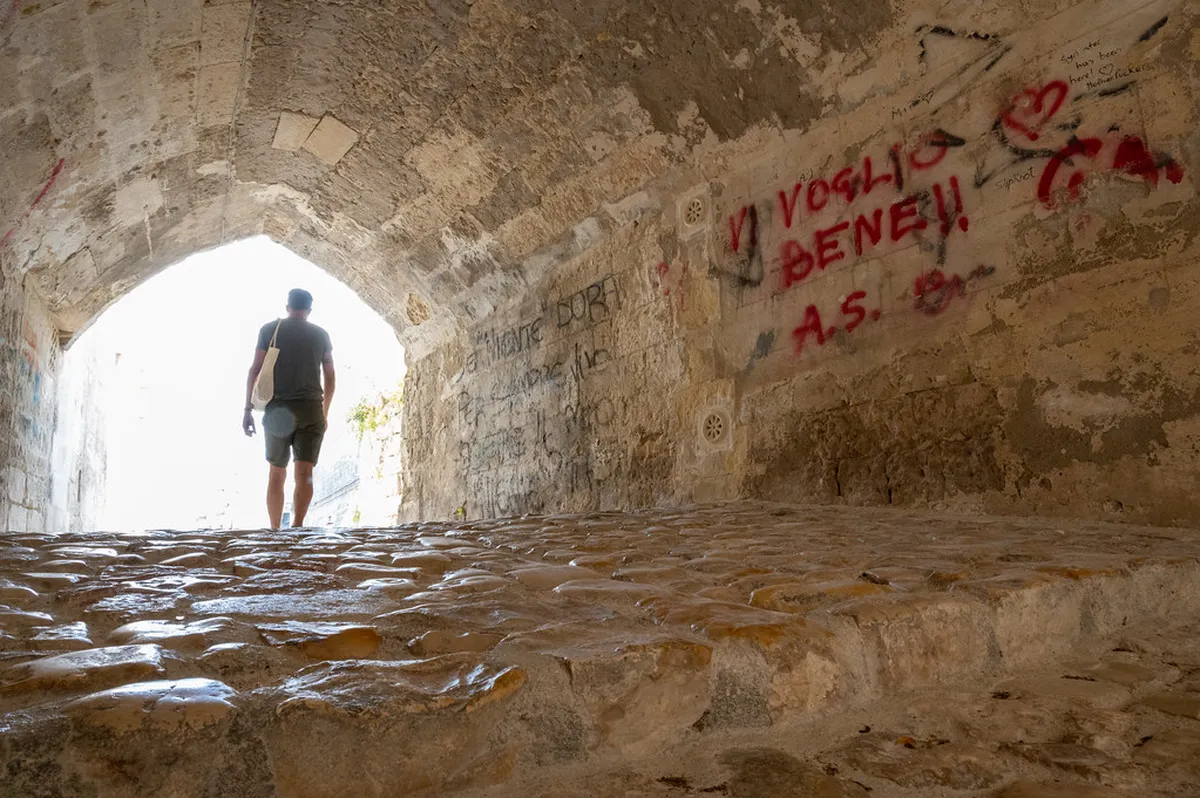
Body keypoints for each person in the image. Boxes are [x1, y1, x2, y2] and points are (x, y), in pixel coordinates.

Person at [242, 288, 335, 529]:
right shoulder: (321, 335)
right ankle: (297, 525)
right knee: (305, 473)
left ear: (287, 307)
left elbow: (255, 369)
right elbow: (330, 376)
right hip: (311, 409)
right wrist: (324, 413)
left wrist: (247, 410)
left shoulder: (270, 330)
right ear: (309, 310)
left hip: (278, 411)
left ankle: (275, 529)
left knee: (276, 472)